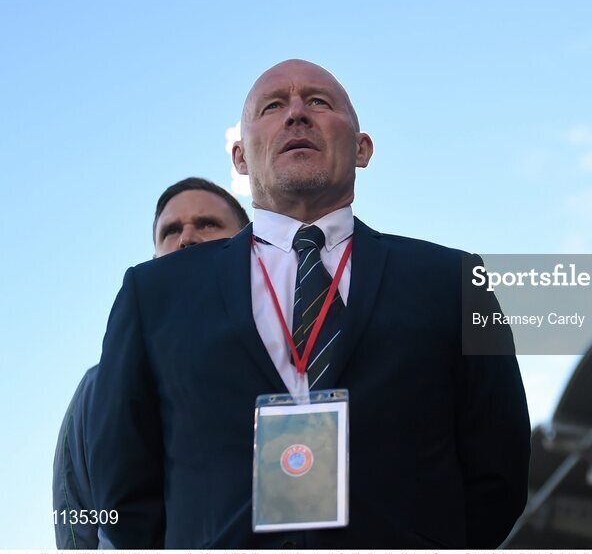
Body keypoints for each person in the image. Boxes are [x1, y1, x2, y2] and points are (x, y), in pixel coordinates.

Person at [88, 60, 531, 548]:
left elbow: (500, 469)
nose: (296, 114)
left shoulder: (455, 281)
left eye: (319, 102)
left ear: (362, 148)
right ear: (240, 157)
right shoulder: (153, 295)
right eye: (272, 106)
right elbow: (123, 485)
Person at [53, 177, 250, 549]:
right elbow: (75, 511)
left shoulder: (280, 356)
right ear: (155, 257)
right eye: (170, 231)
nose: (187, 238)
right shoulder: (97, 388)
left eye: (208, 224)